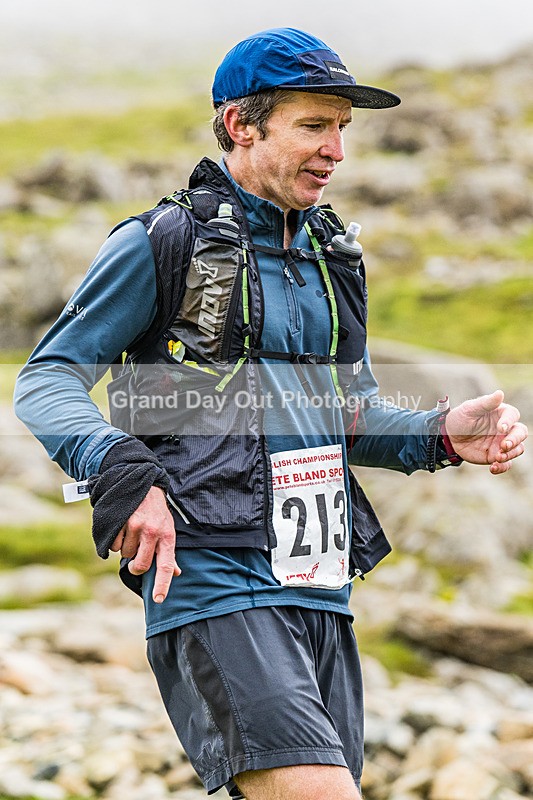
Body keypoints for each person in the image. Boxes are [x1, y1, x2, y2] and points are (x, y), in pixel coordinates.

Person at [14, 27, 527, 800]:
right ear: (238, 125)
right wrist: (119, 467)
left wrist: (438, 434)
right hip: (211, 574)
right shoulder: (161, 240)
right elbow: (47, 377)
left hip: (320, 582)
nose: (336, 152)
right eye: (313, 126)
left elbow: (349, 415)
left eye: (342, 129)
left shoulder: (334, 257)